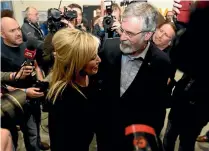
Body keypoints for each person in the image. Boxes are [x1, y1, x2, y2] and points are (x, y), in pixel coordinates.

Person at [95, 2, 171, 151]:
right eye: (123, 30)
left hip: (136, 137)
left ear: (147, 35)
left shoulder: (161, 62)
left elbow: (157, 109)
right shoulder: (109, 48)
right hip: (107, 133)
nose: (122, 37)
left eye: (129, 33)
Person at [163, 0, 209, 151]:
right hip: (181, 99)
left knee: (186, 143)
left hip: (200, 107)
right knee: (169, 137)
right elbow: (178, 58)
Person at [47, 28, 101, 151]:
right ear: (76, 62)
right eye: (93, 58)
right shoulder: (63, 97)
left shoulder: (92, 79)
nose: (99, 60)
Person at [1, 17, 49, 150]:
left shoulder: (26, 46)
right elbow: (3, 85)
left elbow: (36, 66)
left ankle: (36, 145)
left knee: (33, 135)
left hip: (32, 99)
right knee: (12, 140)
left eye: (18, 29)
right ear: (2, 34)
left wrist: (41, 82)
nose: (18, 33)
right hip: (10, 104)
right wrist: (25, 92)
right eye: (12, 31)